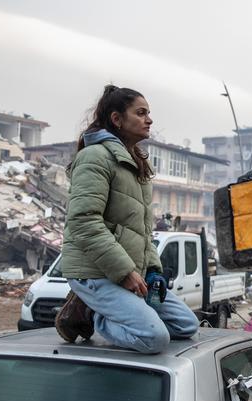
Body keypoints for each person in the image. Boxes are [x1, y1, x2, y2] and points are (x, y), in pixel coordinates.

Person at [56, 85, 199, 353]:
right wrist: (124, 273)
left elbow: (142, 232)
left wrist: (153, 269)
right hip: (94, 271)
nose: (149, 119)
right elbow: (84, 222)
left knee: (186, 326)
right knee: (154, 338)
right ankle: (89, 313)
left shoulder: (136, 164)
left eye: (149, 113)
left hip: (132, 270)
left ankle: (104, 306)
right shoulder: (94, 157)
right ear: (117, 119)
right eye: (141, 113)